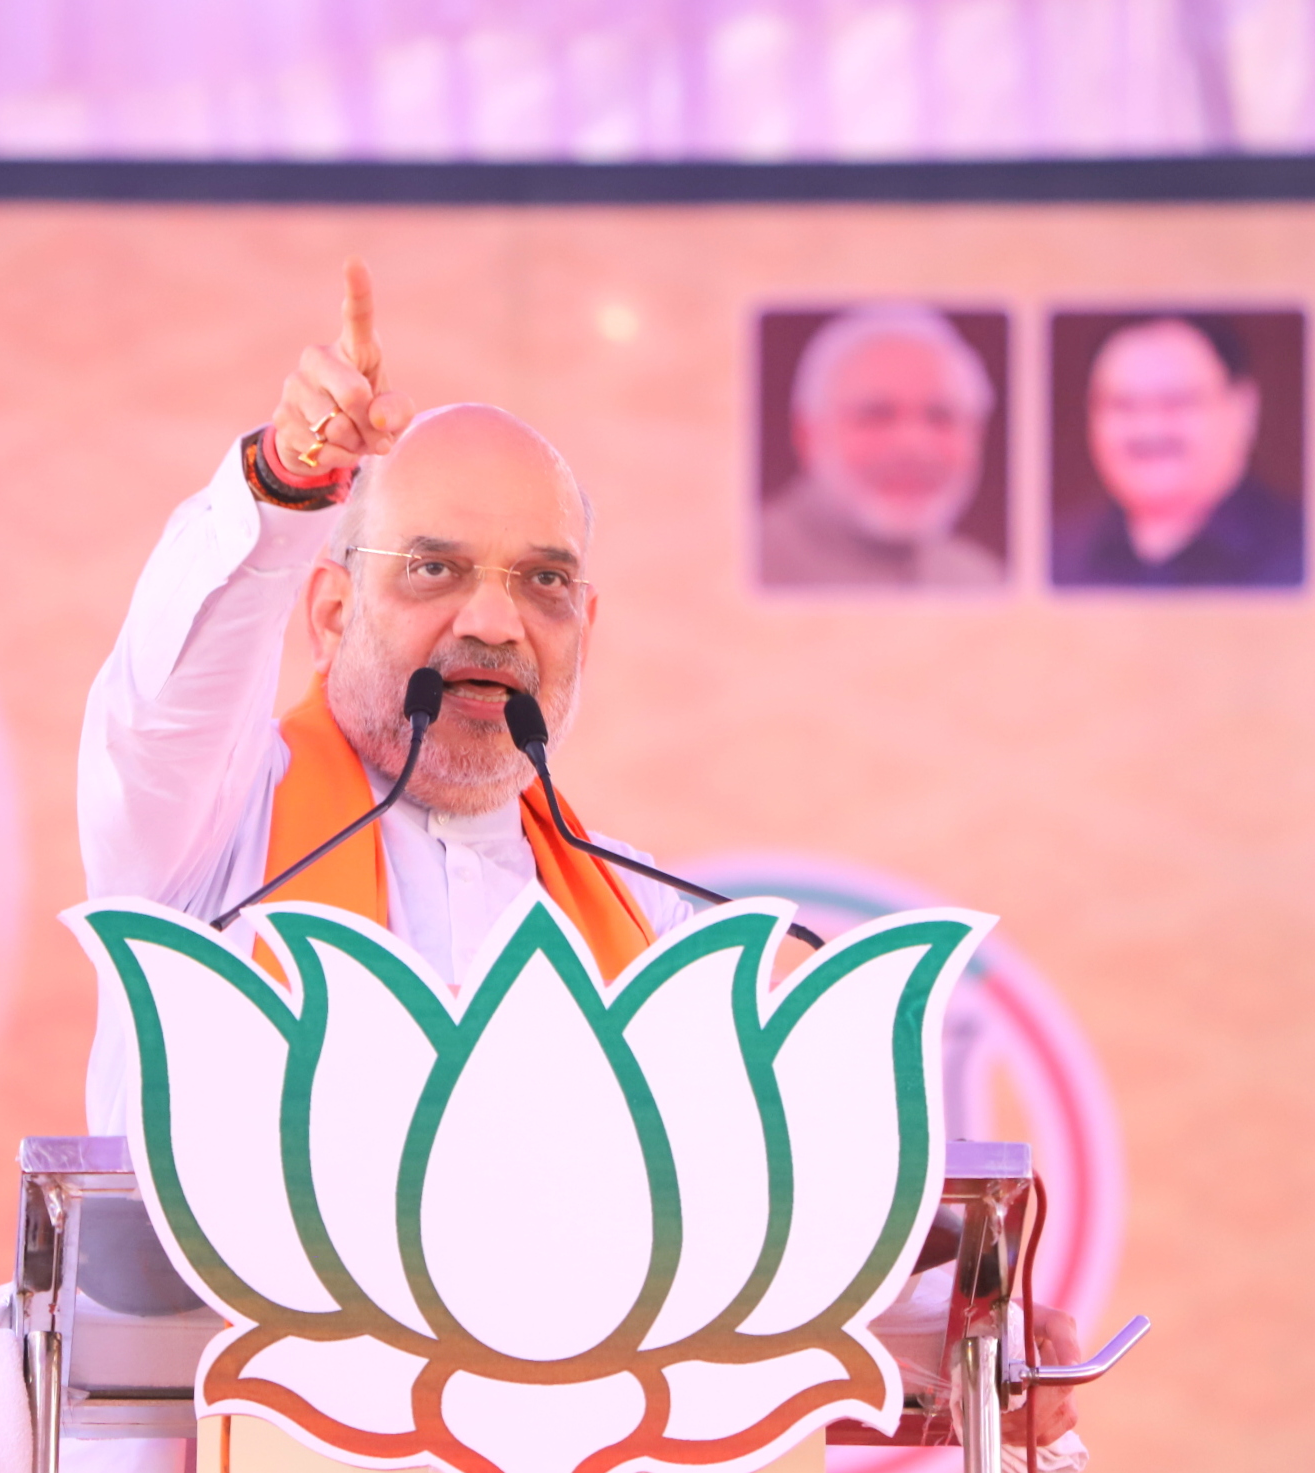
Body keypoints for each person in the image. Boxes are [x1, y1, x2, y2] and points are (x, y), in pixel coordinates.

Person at [79, 261, 1080, 1467]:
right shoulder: (210, 833)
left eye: (542, 582)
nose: (495, 623)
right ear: (332, 611)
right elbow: (162, 708)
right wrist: (285, 488)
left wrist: (966, 1336)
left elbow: (736, 1255)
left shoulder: (645, 927)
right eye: (435, 569)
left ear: (584, 633)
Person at [759, 305, 1004, 589]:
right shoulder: (739, 563)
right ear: (808, 436)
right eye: (876, 415)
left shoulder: (979, 581)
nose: (912, 446)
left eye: (941, 417)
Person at [1053, 314, 1303, 588]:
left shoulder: (1302, 554)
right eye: (1123, 405)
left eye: (1177, 402)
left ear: (1244, 409)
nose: (1149, 429)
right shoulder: (1055, 560)